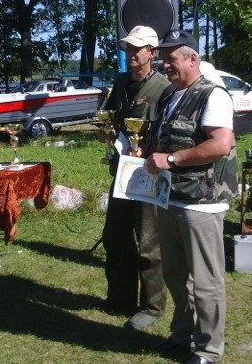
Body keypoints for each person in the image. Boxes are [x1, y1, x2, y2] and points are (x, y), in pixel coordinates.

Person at [145, 29, 238, 364]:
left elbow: (219, 144)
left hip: (202, 202)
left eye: (171, 58)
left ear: (192, 59)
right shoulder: (171, 96)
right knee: (175, 275)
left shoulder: (213, 96)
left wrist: (170, 160)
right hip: (170, 199)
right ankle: (183, 336)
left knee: (205, 281)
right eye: (163, 58)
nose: (164, 64)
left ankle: (208, 350)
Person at [98, 25, 174, 330]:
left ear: (152, 53)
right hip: (122, 173)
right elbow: (115, 119)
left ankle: (152, 306)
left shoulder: (165, 88)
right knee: (115, 237)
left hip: (149, 174)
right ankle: (120, 296)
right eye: (128, 48)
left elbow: (170, 130)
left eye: (137, 48)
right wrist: (108, 131)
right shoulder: (120, 82)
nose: (131, 53)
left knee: (148, 243)